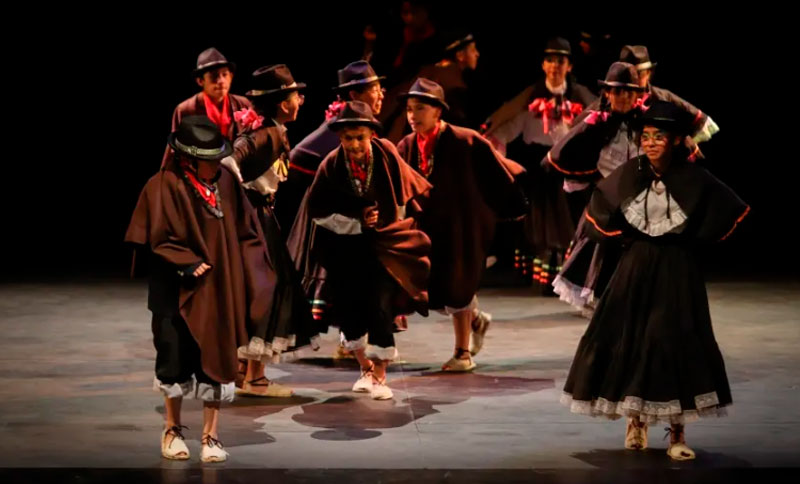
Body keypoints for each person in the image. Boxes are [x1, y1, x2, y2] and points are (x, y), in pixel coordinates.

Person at [561, 101, 749, 461]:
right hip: (636, 266)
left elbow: (726, 208)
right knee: (631, 340)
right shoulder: (631, 173)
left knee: (673, 342)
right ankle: (636, 422)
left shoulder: (692, 177)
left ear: (676, 140)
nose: (649, 142)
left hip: (677, 268)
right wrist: (622, 237)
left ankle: (677, 430)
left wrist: (693, 238)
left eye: (658, 137)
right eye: (645, 136)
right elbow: (600, 206)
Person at [126, 116, 277, 462]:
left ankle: (211, 436)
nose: (215, 165)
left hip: (218, 288)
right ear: (187, 158)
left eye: (216, 158)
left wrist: (251, 272)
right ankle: (172, 429)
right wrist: (185, 261)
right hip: (174, 291)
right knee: (174, 358)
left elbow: (246, 231)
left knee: (217, 359)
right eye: (207, 160)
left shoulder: (226, 183)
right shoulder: (162, 185)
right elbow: (158, 235)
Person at [302, 101, 432, 399]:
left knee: (380, 307)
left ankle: (381, 375)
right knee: (351, 311)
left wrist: (385, 222)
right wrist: (356, 222)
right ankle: (365, 369)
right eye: (348, 138)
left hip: (384, 246)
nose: (354, 144)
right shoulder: (331, 166)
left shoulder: (386, 155)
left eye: (360, 137)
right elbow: (318, 212)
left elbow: (402, 194)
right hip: (345, 249)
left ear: (371, 134)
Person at [396, 78, 527, 371]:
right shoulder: (406, 145)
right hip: (426, 226)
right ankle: (477, 320)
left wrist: (511, 208)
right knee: (437, 287)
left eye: (419, 109)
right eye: (408, 110)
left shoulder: (464, 140)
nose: (413, 116)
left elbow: (498, 172)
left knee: (458, 282)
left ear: (437, 112)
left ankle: (462, 354)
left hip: (462, 225)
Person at [222, 64, 320, 397]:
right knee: (270, 290)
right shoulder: (269, 134)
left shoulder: (269, 129)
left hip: (254, 217)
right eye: (295, 95)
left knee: (255, 289)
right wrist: (244, 199)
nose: (300, 100)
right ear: (282, 103)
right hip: (255, 220)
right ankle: (256, 378)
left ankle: (242, 371)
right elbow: (227, 162)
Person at [484, 38, 596, 292]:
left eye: (561, 61)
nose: (555, 66)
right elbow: (506, 127)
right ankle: (541, 281)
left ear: (569, 66)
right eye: (550, 60)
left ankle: (569, 280)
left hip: (570, 168)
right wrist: (496, 154)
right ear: (543, 65)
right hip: (541, 171)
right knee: (541, 229)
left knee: (572, 225)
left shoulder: (581, 97)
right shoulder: (531, 97)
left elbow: (594, 128)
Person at [160, 48, 252, 168]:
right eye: (214, 76)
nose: (221, 81)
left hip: (236, 171)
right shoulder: (186, 110)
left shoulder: (242, 104)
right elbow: (175, 151)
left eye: (225, 75)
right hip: (199, 173)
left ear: (231, 76)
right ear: (200, 81)